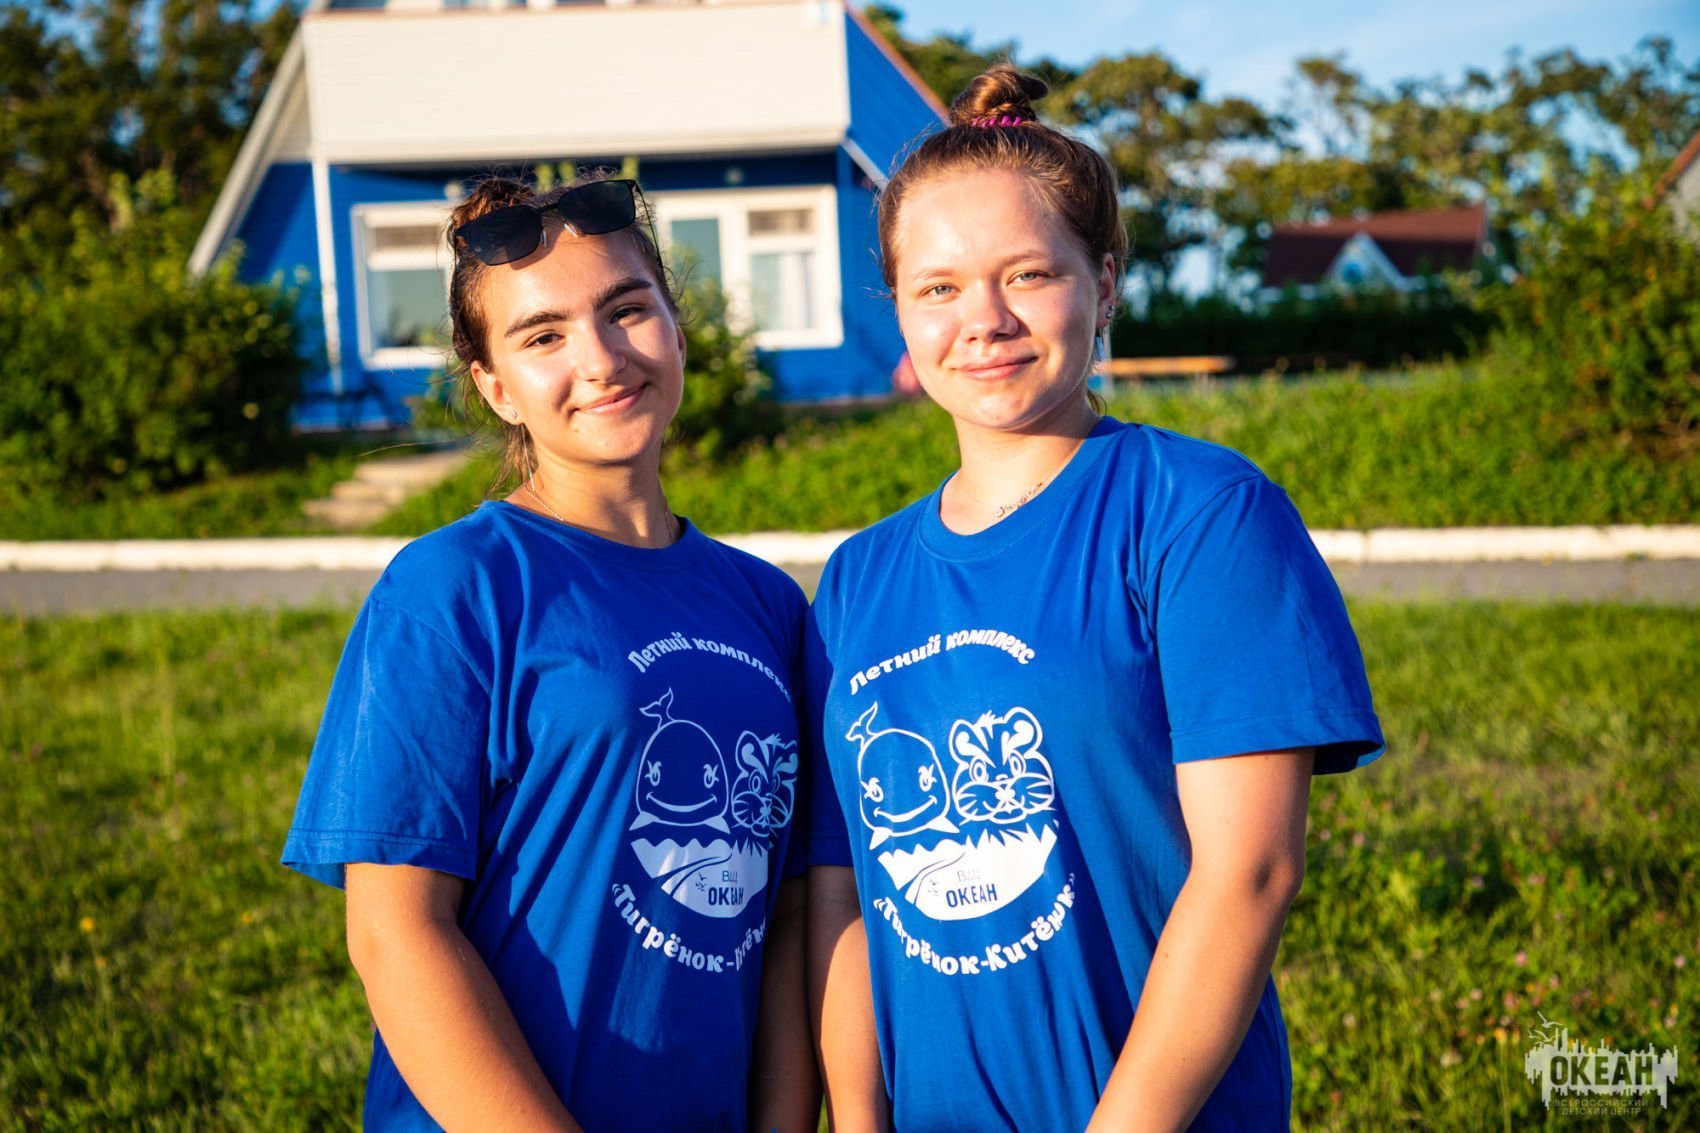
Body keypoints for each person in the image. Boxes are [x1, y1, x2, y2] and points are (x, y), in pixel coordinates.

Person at [805, 66, 1385, 1132]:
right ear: (899, 311)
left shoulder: (1199, 512)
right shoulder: (858, 577)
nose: (983, 320)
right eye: (938, 288)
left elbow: (1250, 872)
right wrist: (856, 1117)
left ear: (1104, 284)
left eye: (1027, 275)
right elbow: (842, 895)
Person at [283, 172, 816, 1132]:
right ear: (495, 386)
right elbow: (397, 935)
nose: (601, 359)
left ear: (677, 330)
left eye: (627, 310)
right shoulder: (454, 587)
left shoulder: (768, 604)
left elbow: (784, 923)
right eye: (543, 337)